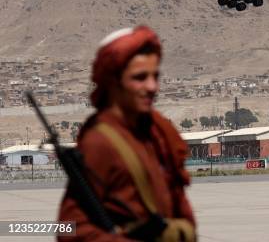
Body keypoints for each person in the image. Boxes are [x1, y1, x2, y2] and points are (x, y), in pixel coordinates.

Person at [58, 26, 196, 241]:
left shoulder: (159, 135)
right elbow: (70, 229)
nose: (152, 87)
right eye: (140, 77)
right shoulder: (100, 142)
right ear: (113, 81)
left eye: (155, 76)